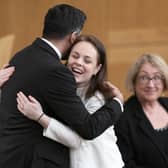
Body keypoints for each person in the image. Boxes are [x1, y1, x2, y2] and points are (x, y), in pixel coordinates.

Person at [0, 4, 123, 168]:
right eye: (76, 56)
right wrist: (118, 102)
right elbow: (88, 128)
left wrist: (40, 117)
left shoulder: (19, 57)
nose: (79, 63)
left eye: (87, 60)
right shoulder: (56, 72)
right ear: (73, 37)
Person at [114, 53, 168, 168]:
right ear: (134, 82)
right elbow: (126, 164)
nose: (151, 84)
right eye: (144, 77)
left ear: (164, 81)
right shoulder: (123, 117)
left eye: (157, 77)